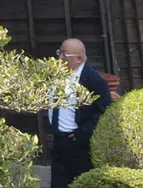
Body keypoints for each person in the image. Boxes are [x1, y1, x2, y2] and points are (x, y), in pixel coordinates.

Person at [49, 38, 112, 188]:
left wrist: (81, 134)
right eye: (59, 53)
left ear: (78, 59)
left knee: (80, 183)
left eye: (64, 54)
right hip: (58, 141)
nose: (60, 58)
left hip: (78, 143)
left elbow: (103, 111)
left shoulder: (93, 80)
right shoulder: (58, 75)